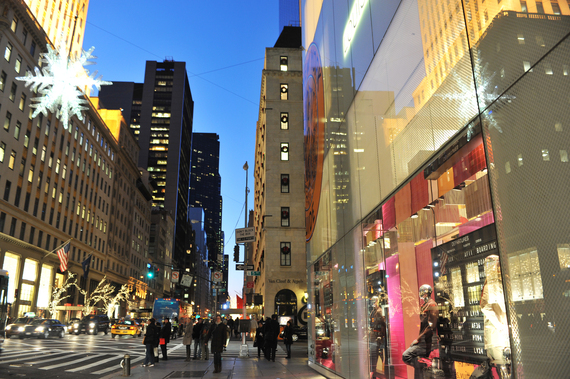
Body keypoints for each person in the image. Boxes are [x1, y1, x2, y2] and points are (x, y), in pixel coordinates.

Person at [402, 284, 438, 379]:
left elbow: (431, 326)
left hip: (427, 340)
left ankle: (425, 364)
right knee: (417, 364)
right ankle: (423, 366)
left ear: (425, 293)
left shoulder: (432, 305)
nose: (420, 295)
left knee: (406, 355)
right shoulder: (425, 305)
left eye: (421, 292)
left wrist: (417, 339)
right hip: (424, 339)